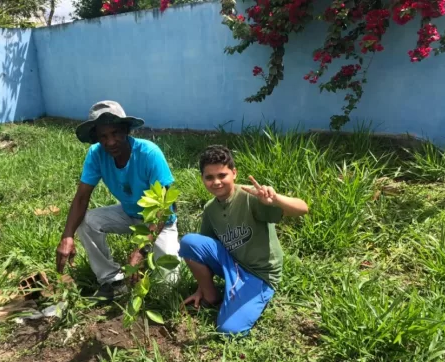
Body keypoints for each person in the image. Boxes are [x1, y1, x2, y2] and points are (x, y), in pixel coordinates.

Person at [179, 145, 308, 335]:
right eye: (209, 177)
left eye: (222, 175)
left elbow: (302, 208)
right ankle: (210, 295)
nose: (216, 182)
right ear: (202, 179)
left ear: (234, 173)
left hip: (260, 273)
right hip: (233, 264)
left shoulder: (250, 197)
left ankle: (255, 293)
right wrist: (201, 286)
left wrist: (275, 199)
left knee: (228, 329)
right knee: (189, 242)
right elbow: (203, 249)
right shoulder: (210, 209)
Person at [56, 100, 180, 299]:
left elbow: (166, 206)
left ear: (126, 130)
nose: (110, 142)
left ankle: (151, 269)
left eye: (115, 133)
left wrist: (141, 250)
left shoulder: (149, 153)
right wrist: (67, 236)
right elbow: (81, 197)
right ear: (96, 137)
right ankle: (112, 280)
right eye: (103, 136)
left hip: (159, 220)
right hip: (128, 213)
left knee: (168, 286)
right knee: (86, 221)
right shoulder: (96, 155)